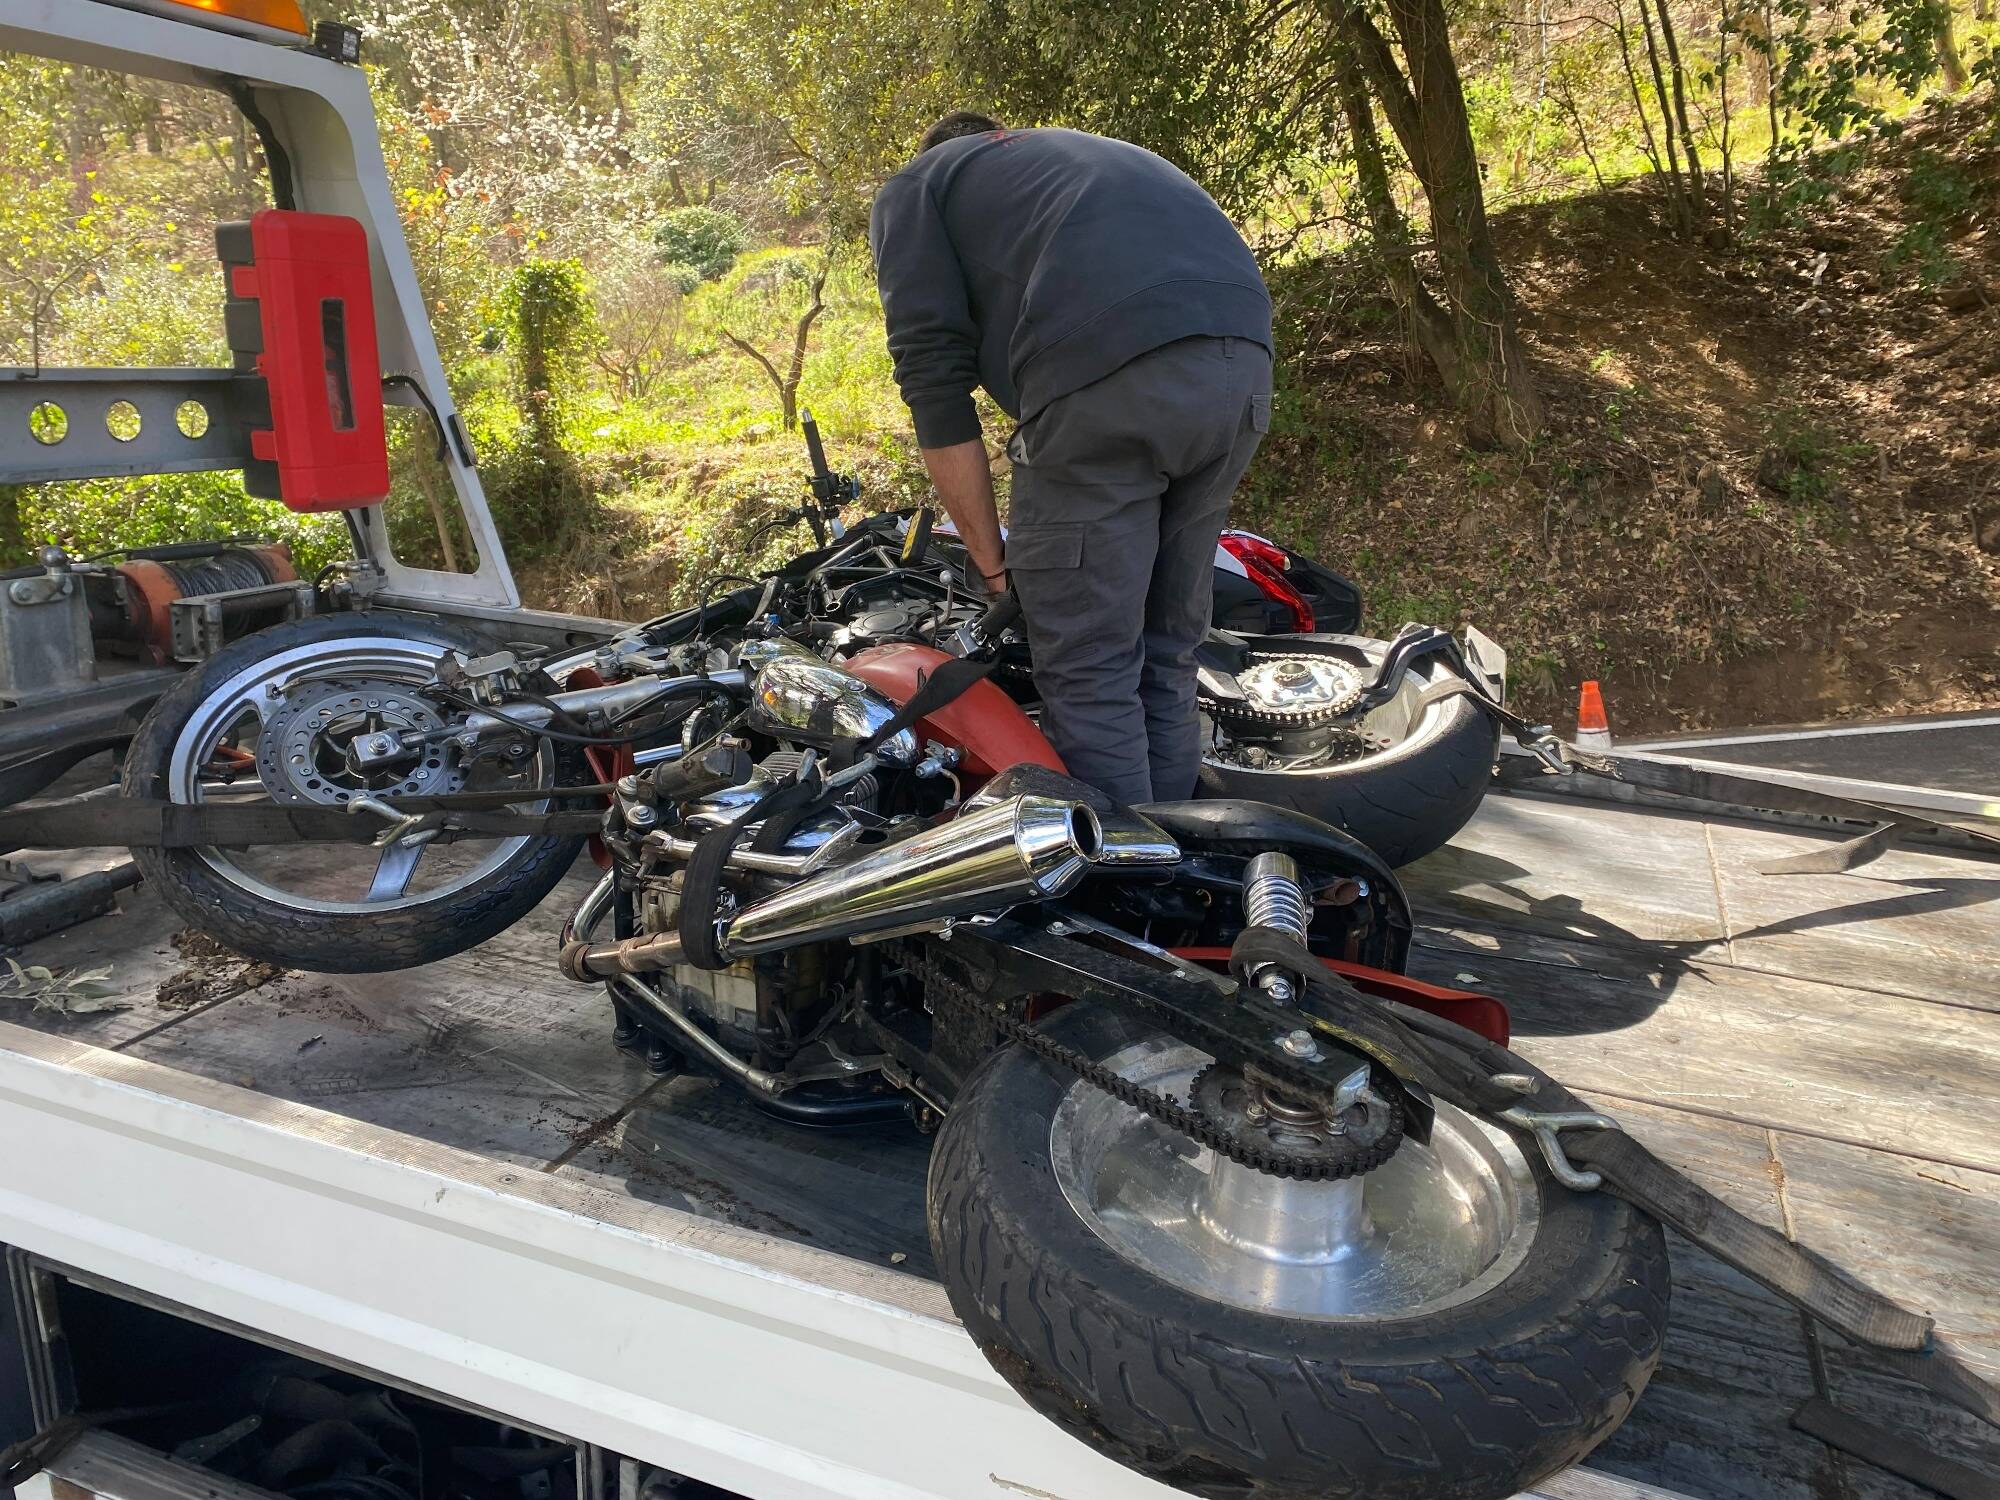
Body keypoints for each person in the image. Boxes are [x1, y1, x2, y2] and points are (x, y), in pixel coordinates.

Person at [869, 112, 1273, 807]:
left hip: (1109, 380)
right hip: (1244, 369)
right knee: (1165, 658)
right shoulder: (1075, 162)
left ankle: (1132, 899)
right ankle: (1183, 866)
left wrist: (993, 564)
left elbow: (935, 388)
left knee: (1090, 671)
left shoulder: (920, 184)